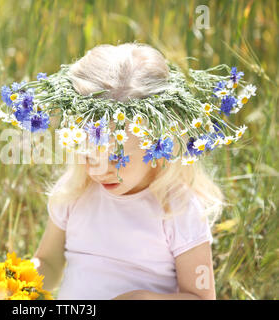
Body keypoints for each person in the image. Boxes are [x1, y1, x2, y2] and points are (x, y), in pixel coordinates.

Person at [30, 43, 224, 300]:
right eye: (88, 154)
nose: (100, 170)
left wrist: (143, 299)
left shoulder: (176, 207)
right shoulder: (76, 191)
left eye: (116, 157)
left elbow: (200, 296)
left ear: (157, 143)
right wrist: (21, 279)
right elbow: (49, 263)